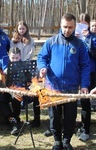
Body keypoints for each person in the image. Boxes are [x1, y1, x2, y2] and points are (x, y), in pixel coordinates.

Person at [37, 13, 90, 150]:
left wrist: (84, 85)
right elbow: (42, 57)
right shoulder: (51, 42)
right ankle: (57, 141)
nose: (67, 30)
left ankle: (67, 140)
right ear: (61, 25)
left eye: (70, 27)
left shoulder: (80, 45)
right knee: (54, 116)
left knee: (70, 117)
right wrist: (42, 68)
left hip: (71, 88)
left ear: (74, 26)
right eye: (65, 27)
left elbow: (85, 65)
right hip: (53, 87)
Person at [10, 21, 40, 127]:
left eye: (23, 28)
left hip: (26, 64)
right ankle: (16, 118)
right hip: (15, 63)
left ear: (26, 29)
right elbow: (12, 52)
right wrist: (17, 60)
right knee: (16, 94)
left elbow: (31, 52)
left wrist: (24, 61)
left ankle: (37, 119)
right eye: (20, 28)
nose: (21, 30)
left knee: (35, 92)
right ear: (17, 29)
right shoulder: (14, 40)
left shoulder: (30, 40)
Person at [76, 13, 96, 142]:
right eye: (81, 22)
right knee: (84, 102)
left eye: (86, 23)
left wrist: (87, 37)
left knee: (89, 100)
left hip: (92, 73)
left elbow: (93, 53)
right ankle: (85, 127)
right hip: (81, 73)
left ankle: (87, 130)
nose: (83, 25)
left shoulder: (92, 37)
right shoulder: (79, 36)